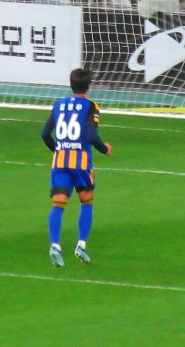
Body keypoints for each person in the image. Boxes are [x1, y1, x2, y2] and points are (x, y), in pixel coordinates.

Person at [41, 67, 112, 267]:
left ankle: (55, 246)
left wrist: (58, 150)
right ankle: (81, 245)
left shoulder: (59, 104)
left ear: (71, 85)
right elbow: (91, 135)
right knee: (86, 202)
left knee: (58, 205)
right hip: (81, 163)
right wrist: (104, 149)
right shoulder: (91, 106)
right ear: (89, 86)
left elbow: (44, 134)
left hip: (60, 161)